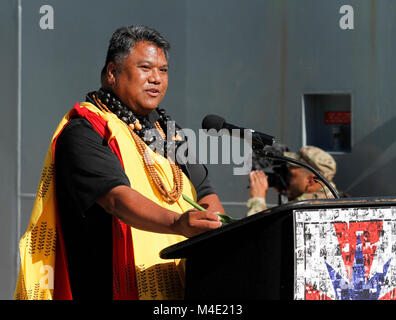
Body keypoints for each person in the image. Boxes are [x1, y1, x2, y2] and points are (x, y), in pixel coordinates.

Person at [15, 25, 224, 300]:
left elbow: (206, 193)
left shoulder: (169, 133)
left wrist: (216, 229)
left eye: (163, 70)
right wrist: (178, 224)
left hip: (180, 288)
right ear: (113, 72)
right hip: (107, 287)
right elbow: (117, 199)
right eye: (146, 68)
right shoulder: (86, 130)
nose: (156, 79)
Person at [247, 146, 337, 216]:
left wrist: (257, 200)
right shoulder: (330, 199)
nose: (285, 177)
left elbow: (259, 235)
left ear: (310, 181)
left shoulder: (308, 211)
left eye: (290, 175)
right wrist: (289, 194)